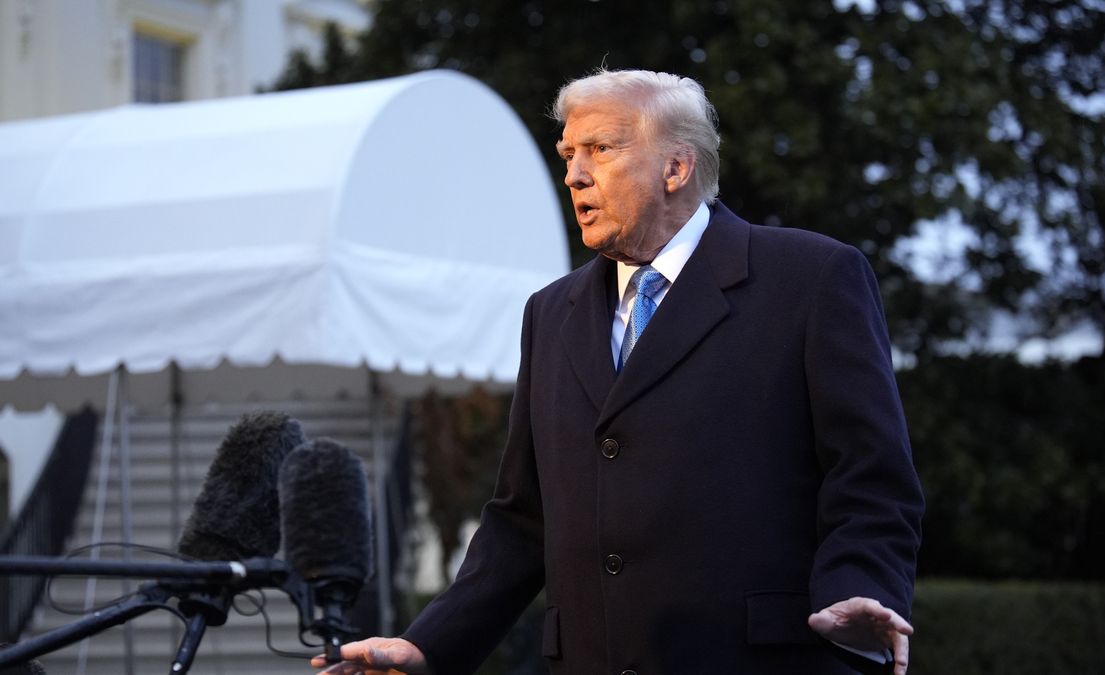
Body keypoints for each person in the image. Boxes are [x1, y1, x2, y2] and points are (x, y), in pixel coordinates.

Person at [314, 69, 924, 675]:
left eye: (600, 149)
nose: (575, 174)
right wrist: (431, 644)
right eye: (568, 154)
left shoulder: (811, 278)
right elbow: (523, 517)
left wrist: (860, 587)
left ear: (676, 168)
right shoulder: (549, 313)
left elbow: (870, 477)